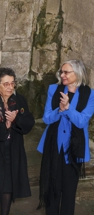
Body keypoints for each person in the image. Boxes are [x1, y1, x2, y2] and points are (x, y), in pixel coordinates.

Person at [37, 60, 94, 215]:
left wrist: (68, 109)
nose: (62, 75)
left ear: (78, 73)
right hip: (54, 145)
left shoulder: (89, 94)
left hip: (74, 148)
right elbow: (47, 118)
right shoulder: (53, 89)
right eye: (61, 72)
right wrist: (60, 110)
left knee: (69, 191)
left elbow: (82, 121)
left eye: (66, 72)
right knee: (52, 188)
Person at [0, 67, 35, 215]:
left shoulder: (19, 100)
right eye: (6, 84)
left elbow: (29, 123)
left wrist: (16, 120)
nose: (10, 87)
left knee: (8, 185)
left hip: (13, 149)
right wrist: (5, 126)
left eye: (12, 83)